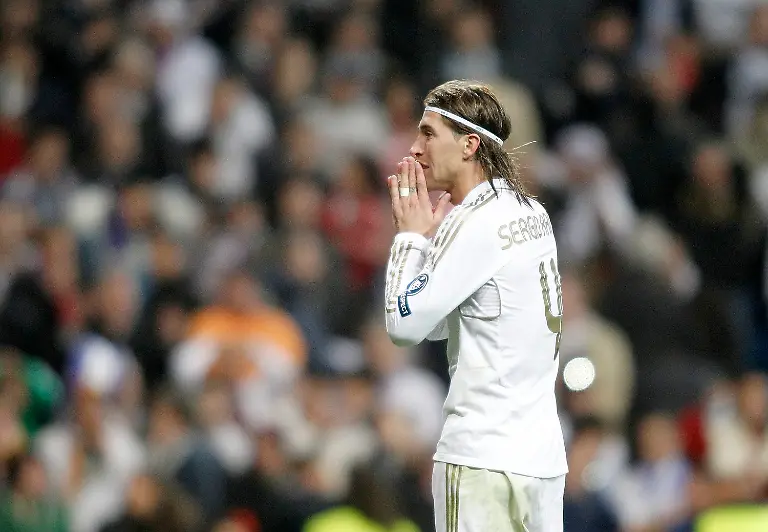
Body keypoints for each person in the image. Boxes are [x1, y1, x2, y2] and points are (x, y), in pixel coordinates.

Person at [384, 80, 568, 532]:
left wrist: (411, 239)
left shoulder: (471, 224)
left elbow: (404, 326)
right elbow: (453, 322)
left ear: (469, 144)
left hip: (481, 459)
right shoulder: (530, 213)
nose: (415, 147)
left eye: (429, 133)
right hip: (541, 460)